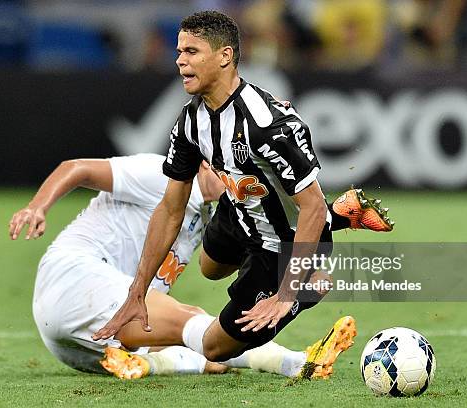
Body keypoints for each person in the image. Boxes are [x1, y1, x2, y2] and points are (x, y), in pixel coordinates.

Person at [92, 10, 393, 378]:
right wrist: (137, 290)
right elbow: (171, 210)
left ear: (225, 56)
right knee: (208, 267)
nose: (180, 60)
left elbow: (311, 208)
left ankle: (309, 287)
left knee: (214, 347)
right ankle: (343, 214)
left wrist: (285, 295)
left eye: (191, 51)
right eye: (178, 51)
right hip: (239, 212)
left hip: (284, 242)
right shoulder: (190, 122)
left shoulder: (268, 125)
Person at [9, 154, 390, 379]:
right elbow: (76, 168)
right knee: (197, 325)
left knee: (209, 355)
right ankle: (293, 352)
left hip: (78, 343)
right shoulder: (160, 174)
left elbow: (268, 234)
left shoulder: (207, 220)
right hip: (76, 277)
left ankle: (299, 363)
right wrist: (37, 206)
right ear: (209, 162)